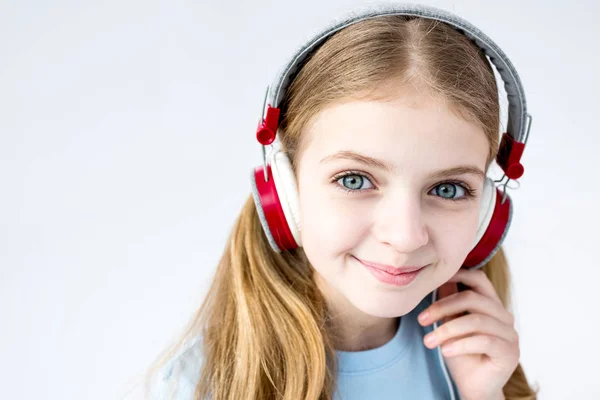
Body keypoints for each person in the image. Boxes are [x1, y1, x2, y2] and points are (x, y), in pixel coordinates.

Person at [145, 4, 539, 400]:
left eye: (448, 189)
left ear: (487, 212)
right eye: (355, 180)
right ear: (285, 191)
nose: (404, 238)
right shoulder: (203, 386)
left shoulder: (479, 365)